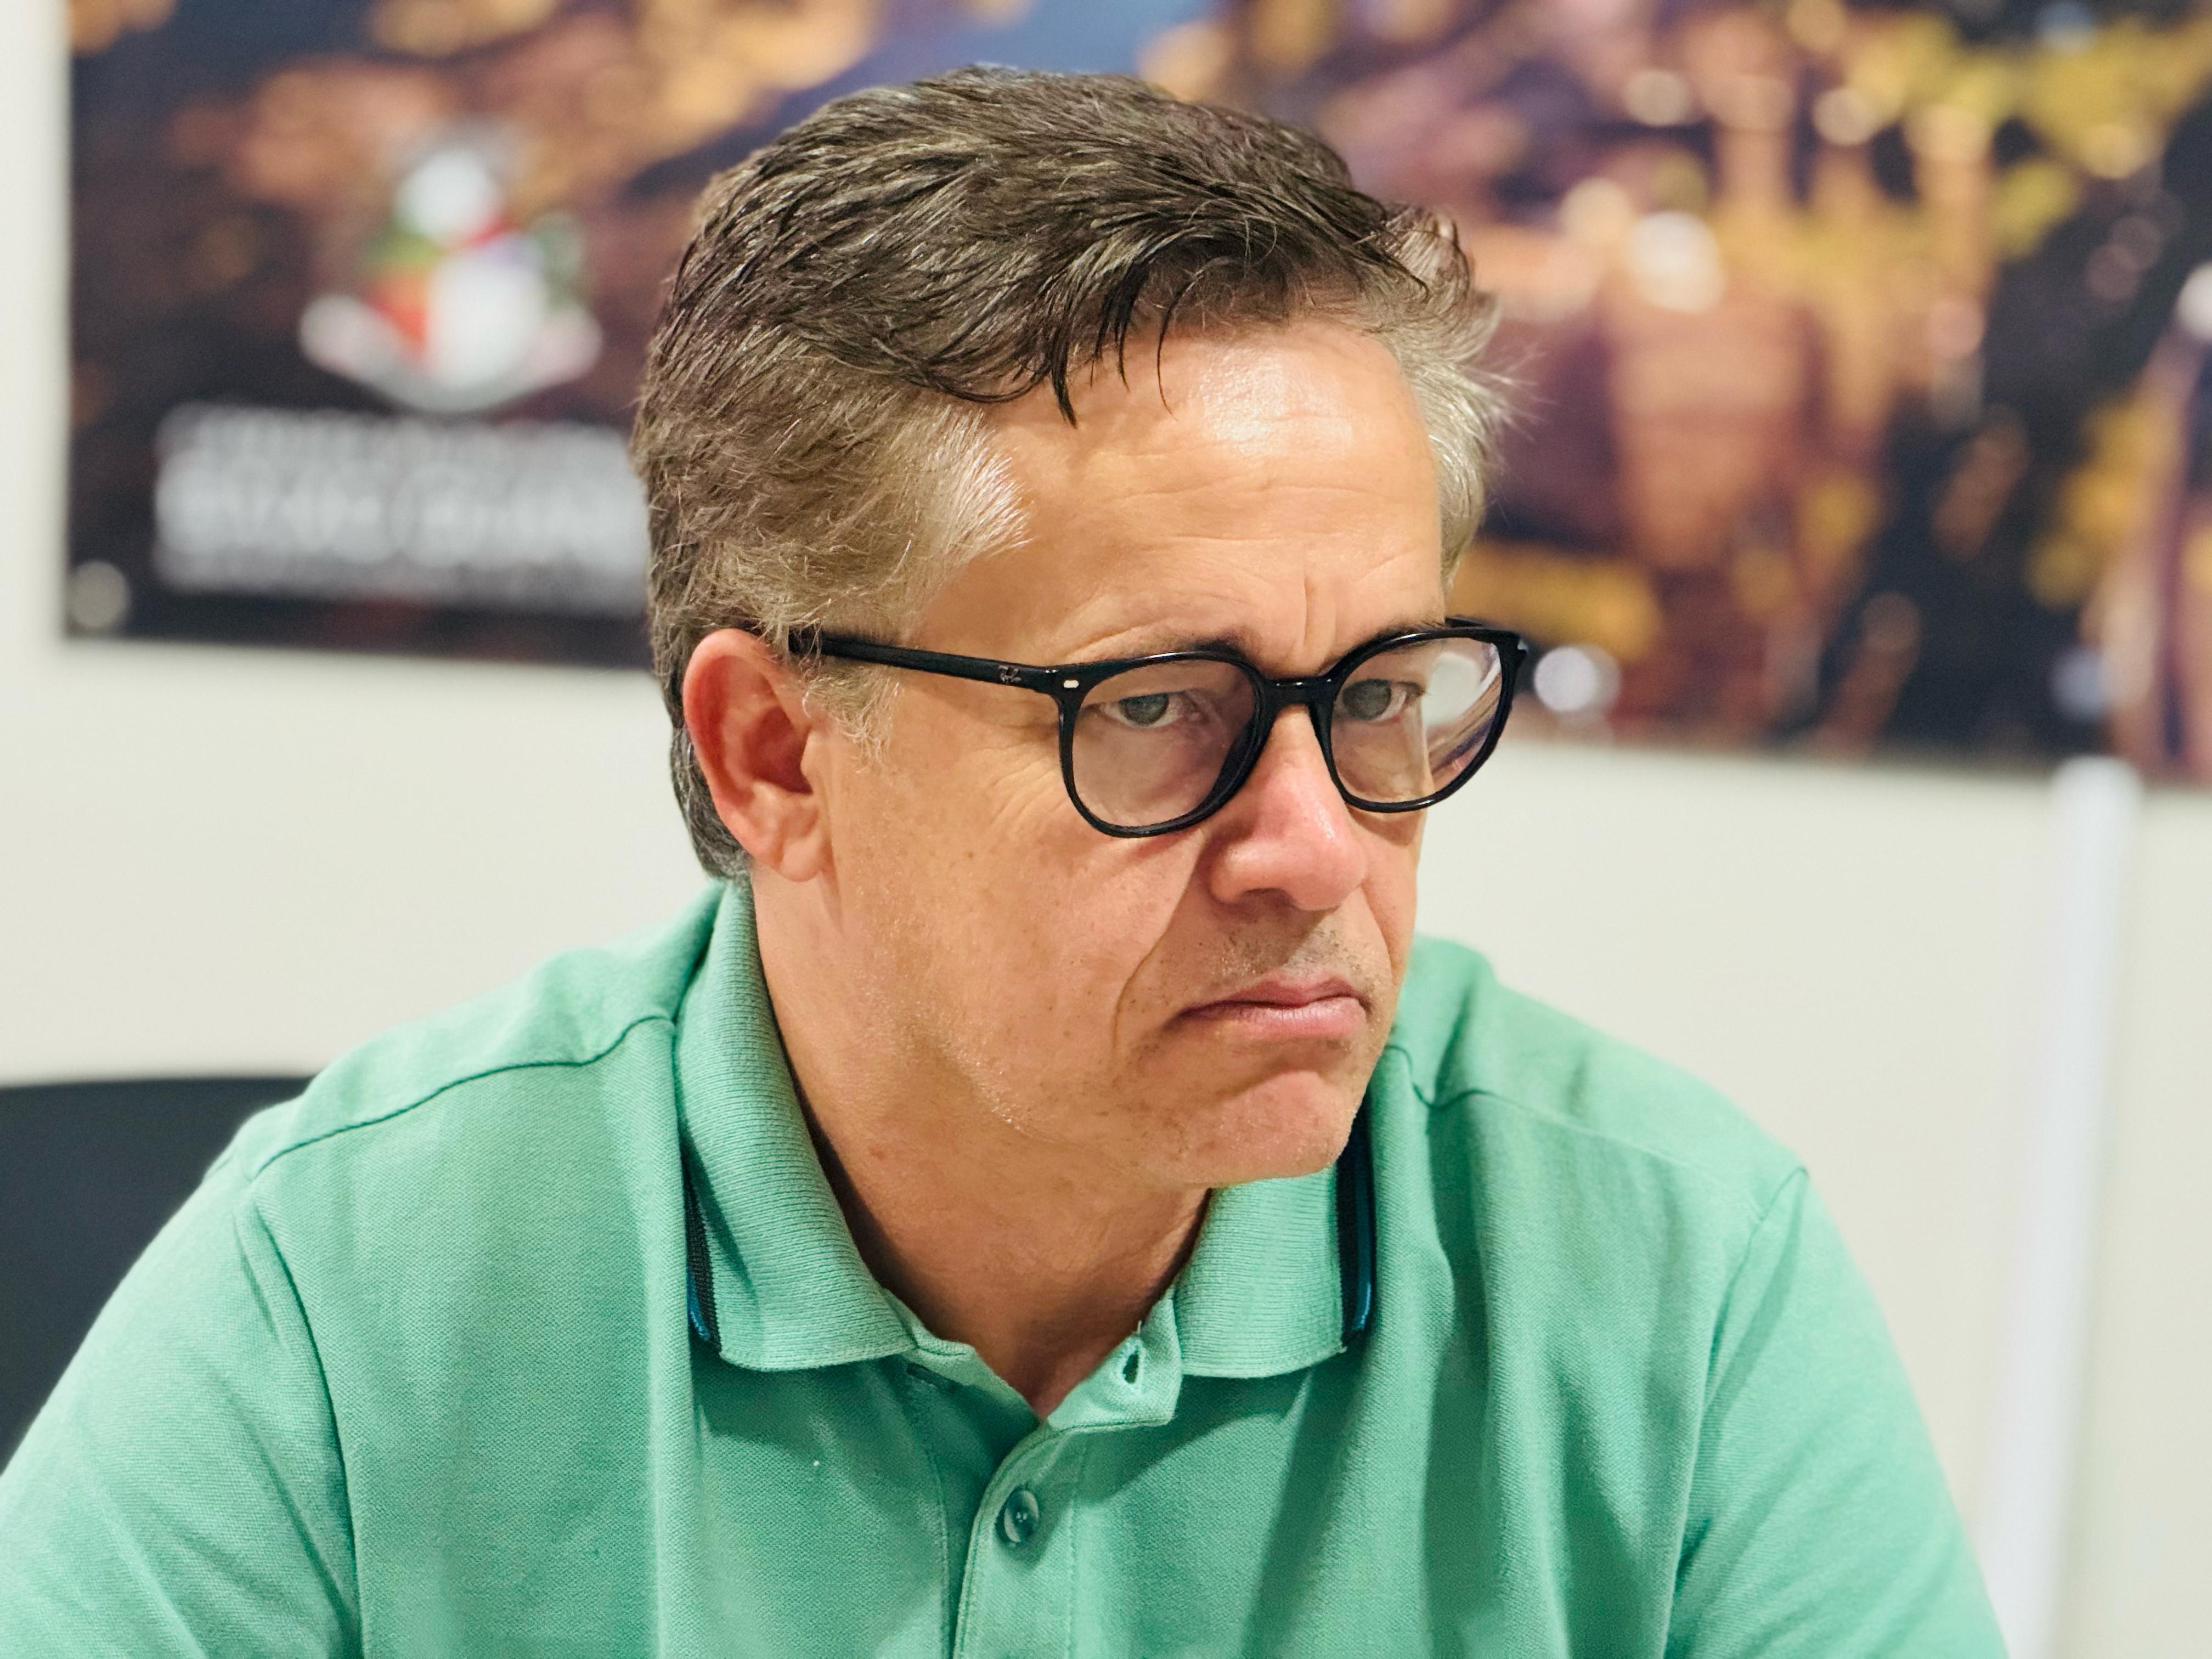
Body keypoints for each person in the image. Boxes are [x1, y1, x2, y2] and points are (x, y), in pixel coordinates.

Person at [0, 66, 2002, 1656]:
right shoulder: (351, 1296)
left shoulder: (1673, 1274)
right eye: (1157, 708)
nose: (1316, 844)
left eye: (1382, 692)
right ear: (776, 753)